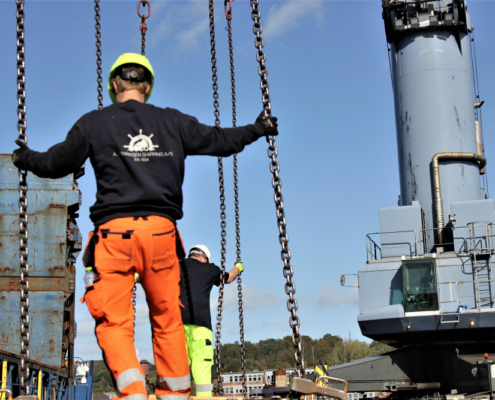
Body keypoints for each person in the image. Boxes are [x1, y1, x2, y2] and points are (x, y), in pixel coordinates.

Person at [12, 53, 278, 400]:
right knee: (168, 319)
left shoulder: (94, 123)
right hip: (161, 235)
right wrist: (258, 129)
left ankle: (133, 391)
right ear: (148, 87)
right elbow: (221, 141)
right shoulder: (173, 122)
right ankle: (173, 395)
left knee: (114, 322)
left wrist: (24, 157)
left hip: (113, 237)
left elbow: (53, 162)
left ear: (114, 84)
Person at [179, 245, 243, 397]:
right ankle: (204, 398)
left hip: (177, 326)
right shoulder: (209, 268)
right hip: (200, 327)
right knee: (202, 366)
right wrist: (238, 268)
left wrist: (136, 276)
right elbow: (229, 277)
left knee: (177, 368)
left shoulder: (175, 266)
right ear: (203, 258)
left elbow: (153, 276)